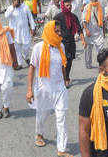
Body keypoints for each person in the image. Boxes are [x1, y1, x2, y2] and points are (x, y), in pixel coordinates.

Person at [26, 21, 73, 157]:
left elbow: (63, 65)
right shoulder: (38, 48)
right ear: (49, 31)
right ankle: (39, 134)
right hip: (43, 89)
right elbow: (32, 68)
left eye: (60, 31)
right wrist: (29, 90)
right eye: (56, 31)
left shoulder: (61, 46)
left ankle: (61, 149)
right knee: (42, 115)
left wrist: (65, 79)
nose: (59, 34)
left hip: (59, 89)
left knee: (61, 117)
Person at [53, 0, 87, 87]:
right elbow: (52, 30)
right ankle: (61, 78)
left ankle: (66, 78)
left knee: (69, 61)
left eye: (70, 5)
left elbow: (79, 29)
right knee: (61, 61)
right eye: (67, 6)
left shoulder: (74, 17)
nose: (69, 7)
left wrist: (83, 40)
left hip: (71, 42)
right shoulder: (58, 17)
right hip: (61, 43)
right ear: (63, 6)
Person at [5, 0, 35, 69]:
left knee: (26, 46)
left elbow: (30, 18)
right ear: (12, 0)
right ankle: (19, 63)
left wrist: (32, 28)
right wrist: (13, 7)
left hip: (25, 31)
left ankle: (25, 56)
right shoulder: (10, 8)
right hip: (15, 32)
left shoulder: (25, 7)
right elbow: (6, 16)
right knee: (17, 48)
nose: (16, 1)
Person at [82, 0, 104, 69]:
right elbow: (84, 20)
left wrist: (103, 30)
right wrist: (86, 30)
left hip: (98, 32)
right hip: (89, 31)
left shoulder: (100, 7)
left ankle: (101, 64)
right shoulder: (87, 7)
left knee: (101, 49)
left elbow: (103, 20)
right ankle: (88, 63)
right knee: (88, 49)